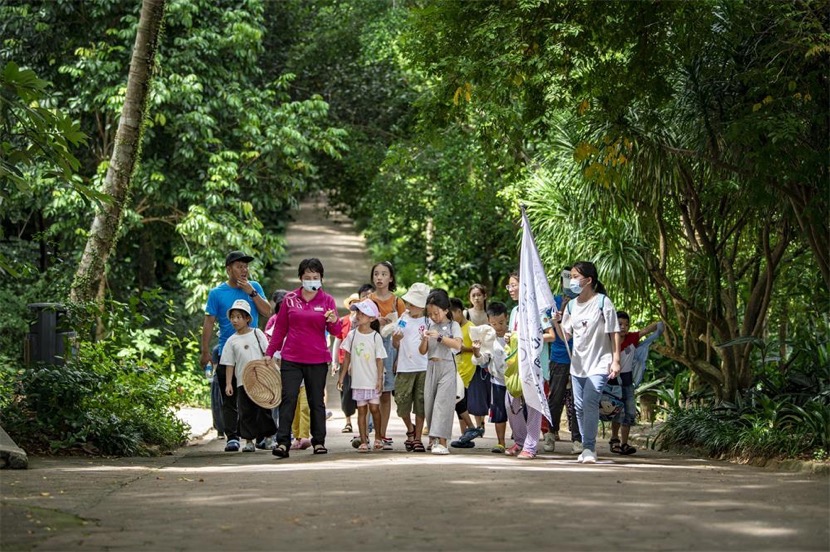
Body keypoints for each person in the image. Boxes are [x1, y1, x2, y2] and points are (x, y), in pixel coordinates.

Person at [266, 258, 342, 459]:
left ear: (321, 278)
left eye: (315, 277)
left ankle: (319, 442)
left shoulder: (328, 301)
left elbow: (335, 331)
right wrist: (269, 353)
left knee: (316, 401)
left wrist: (335, 321)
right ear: (300, 278)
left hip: (317, 359)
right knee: (288, 398)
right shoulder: (290, 299)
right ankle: (283, 443)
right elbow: (280, 329)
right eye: (307, 277)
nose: (311, 281)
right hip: (291, 357)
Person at [201, 251, 271, 452]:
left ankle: (259, 436)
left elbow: (268, 311)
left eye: (246, 266)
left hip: (254, 355)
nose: (244, 270)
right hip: (228, 352)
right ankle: (232, 436)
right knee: (229, 395)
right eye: (239, 266)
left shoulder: (254, 287)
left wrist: (252, 292)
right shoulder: (217, 293)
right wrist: (205, 351)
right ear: (228, 269)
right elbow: (208, 322)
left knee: (258, 395)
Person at [558, 261, 621, 464]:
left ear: (588, 280)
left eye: (576, 277)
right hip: (578, 365)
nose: (572, 281)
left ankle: (589, 447)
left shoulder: (603, 302)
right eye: (571, 277)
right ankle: (586, 446)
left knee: (590, 402)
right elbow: (565, 336)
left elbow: (614, 332)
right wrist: (554, 321)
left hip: (600, 363)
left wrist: (616, 360)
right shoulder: (571, 306)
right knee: (579, 407)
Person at [219, 299, 277, 452]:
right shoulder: (231, 341)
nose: (235, 320)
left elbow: (267, 353)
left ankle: (269, 438)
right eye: (232, 317)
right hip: (243, 382)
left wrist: (273, 374)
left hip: (261, 380)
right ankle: (249, 441)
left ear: (247, 319)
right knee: (246, 412)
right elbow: (229, 363)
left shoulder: (258, 334)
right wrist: (229, 383)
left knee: (264, 409)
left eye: (238, 317)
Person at [504, 271, 547, 459]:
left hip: (534, 365)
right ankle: (520, 441)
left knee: (533, 405)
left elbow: (550, 334)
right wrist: (509, 337)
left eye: (514, 285)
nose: (511, 289)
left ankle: (531, 445)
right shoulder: (514, 311)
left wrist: (527, 339)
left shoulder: (538, 309)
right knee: (510, 403)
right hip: (515, 366)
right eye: (509, 286)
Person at [607, 311, 661, 455]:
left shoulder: (632, 337)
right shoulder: (608, 339)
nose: (623, 327)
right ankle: (614, 439)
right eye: (619, 324)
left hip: (628, 381)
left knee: (629, 413)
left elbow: (648, 330)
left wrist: (661, 324)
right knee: (617, 412)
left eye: (626, 324)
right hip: (613, 383)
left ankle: (624, 443)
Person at [337, 300, 386, 452]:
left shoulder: (375, 337)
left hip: (372, 381)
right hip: (358, 381)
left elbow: (379, 360)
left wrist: (379, 379)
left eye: (362, 313)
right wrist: (341, 377)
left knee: (375, 409)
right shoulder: (352, 335)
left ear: (372, 318)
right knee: (362, 411)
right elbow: (347, 358)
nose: (358, 315)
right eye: (357, 312)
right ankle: (364, 440)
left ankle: (378, 437)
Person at [419, 289, 463, 455]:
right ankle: (434, 439)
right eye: (430, 313)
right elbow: (422, 351)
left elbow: (458, 345)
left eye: (436, 313)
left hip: (447, 367)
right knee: (430, 403)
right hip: (431, 367)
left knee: (442, 404)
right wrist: (424, 339)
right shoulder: (429, 325)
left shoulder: (453, 325)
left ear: (445, 310)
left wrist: (439, 337)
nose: (433, 316)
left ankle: (443, 442)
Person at [369, 262, 406, 449]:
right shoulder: (367, 300)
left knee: (385, 394)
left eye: (384, 274)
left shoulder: (397, 301)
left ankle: (381, 434)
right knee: (370, 391)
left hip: (391, 348)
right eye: (376, 274)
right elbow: (359, 324)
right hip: (371, 349)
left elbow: (405, 326)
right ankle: (369, 432)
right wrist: (376, 321)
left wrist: (400, 355)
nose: (379, 278)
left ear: (391, 278)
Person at [392, 282, 430, 453]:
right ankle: (410, 428)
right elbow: (395, 343)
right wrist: (396, 339)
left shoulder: (429, 321)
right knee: (401, 401)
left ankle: (417, 438)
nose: (409, 306)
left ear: (422, 306)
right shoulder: (403, 319)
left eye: (413, 304)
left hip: (424, 366)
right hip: (404, 367)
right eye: (408, 303)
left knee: (421, 402)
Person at [543, 293, 583, 454]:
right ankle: (551, 434)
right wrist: (562, 307)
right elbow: (548, 326)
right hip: (559, 357)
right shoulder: (553, 302)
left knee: (577, 400)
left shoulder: (583, 302)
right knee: (555, 398)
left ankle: (578, 439)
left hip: (580, 356)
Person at [449, 298, 486, 449]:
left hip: (466, 368)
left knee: (457, 399)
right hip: (456, 367)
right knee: (459, 402)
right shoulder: (453, 327)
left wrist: (461, 347)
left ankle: (470, 429)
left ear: (459, 311)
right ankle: (466, 435)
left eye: (452, 314)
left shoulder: (471, 328)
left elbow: (478, 347)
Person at [474, 301, 510, 453]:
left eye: (501, 322)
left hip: (515, 380)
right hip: (497, 380)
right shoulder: (488, 338)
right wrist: (476, 352)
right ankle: (501, 442)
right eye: (494, 323)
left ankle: (522, 440)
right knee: (499, 412)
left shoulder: (514, 333)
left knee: (518, 411)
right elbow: (483, 360)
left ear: (507, 318)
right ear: (488, 321)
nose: (498, 327)